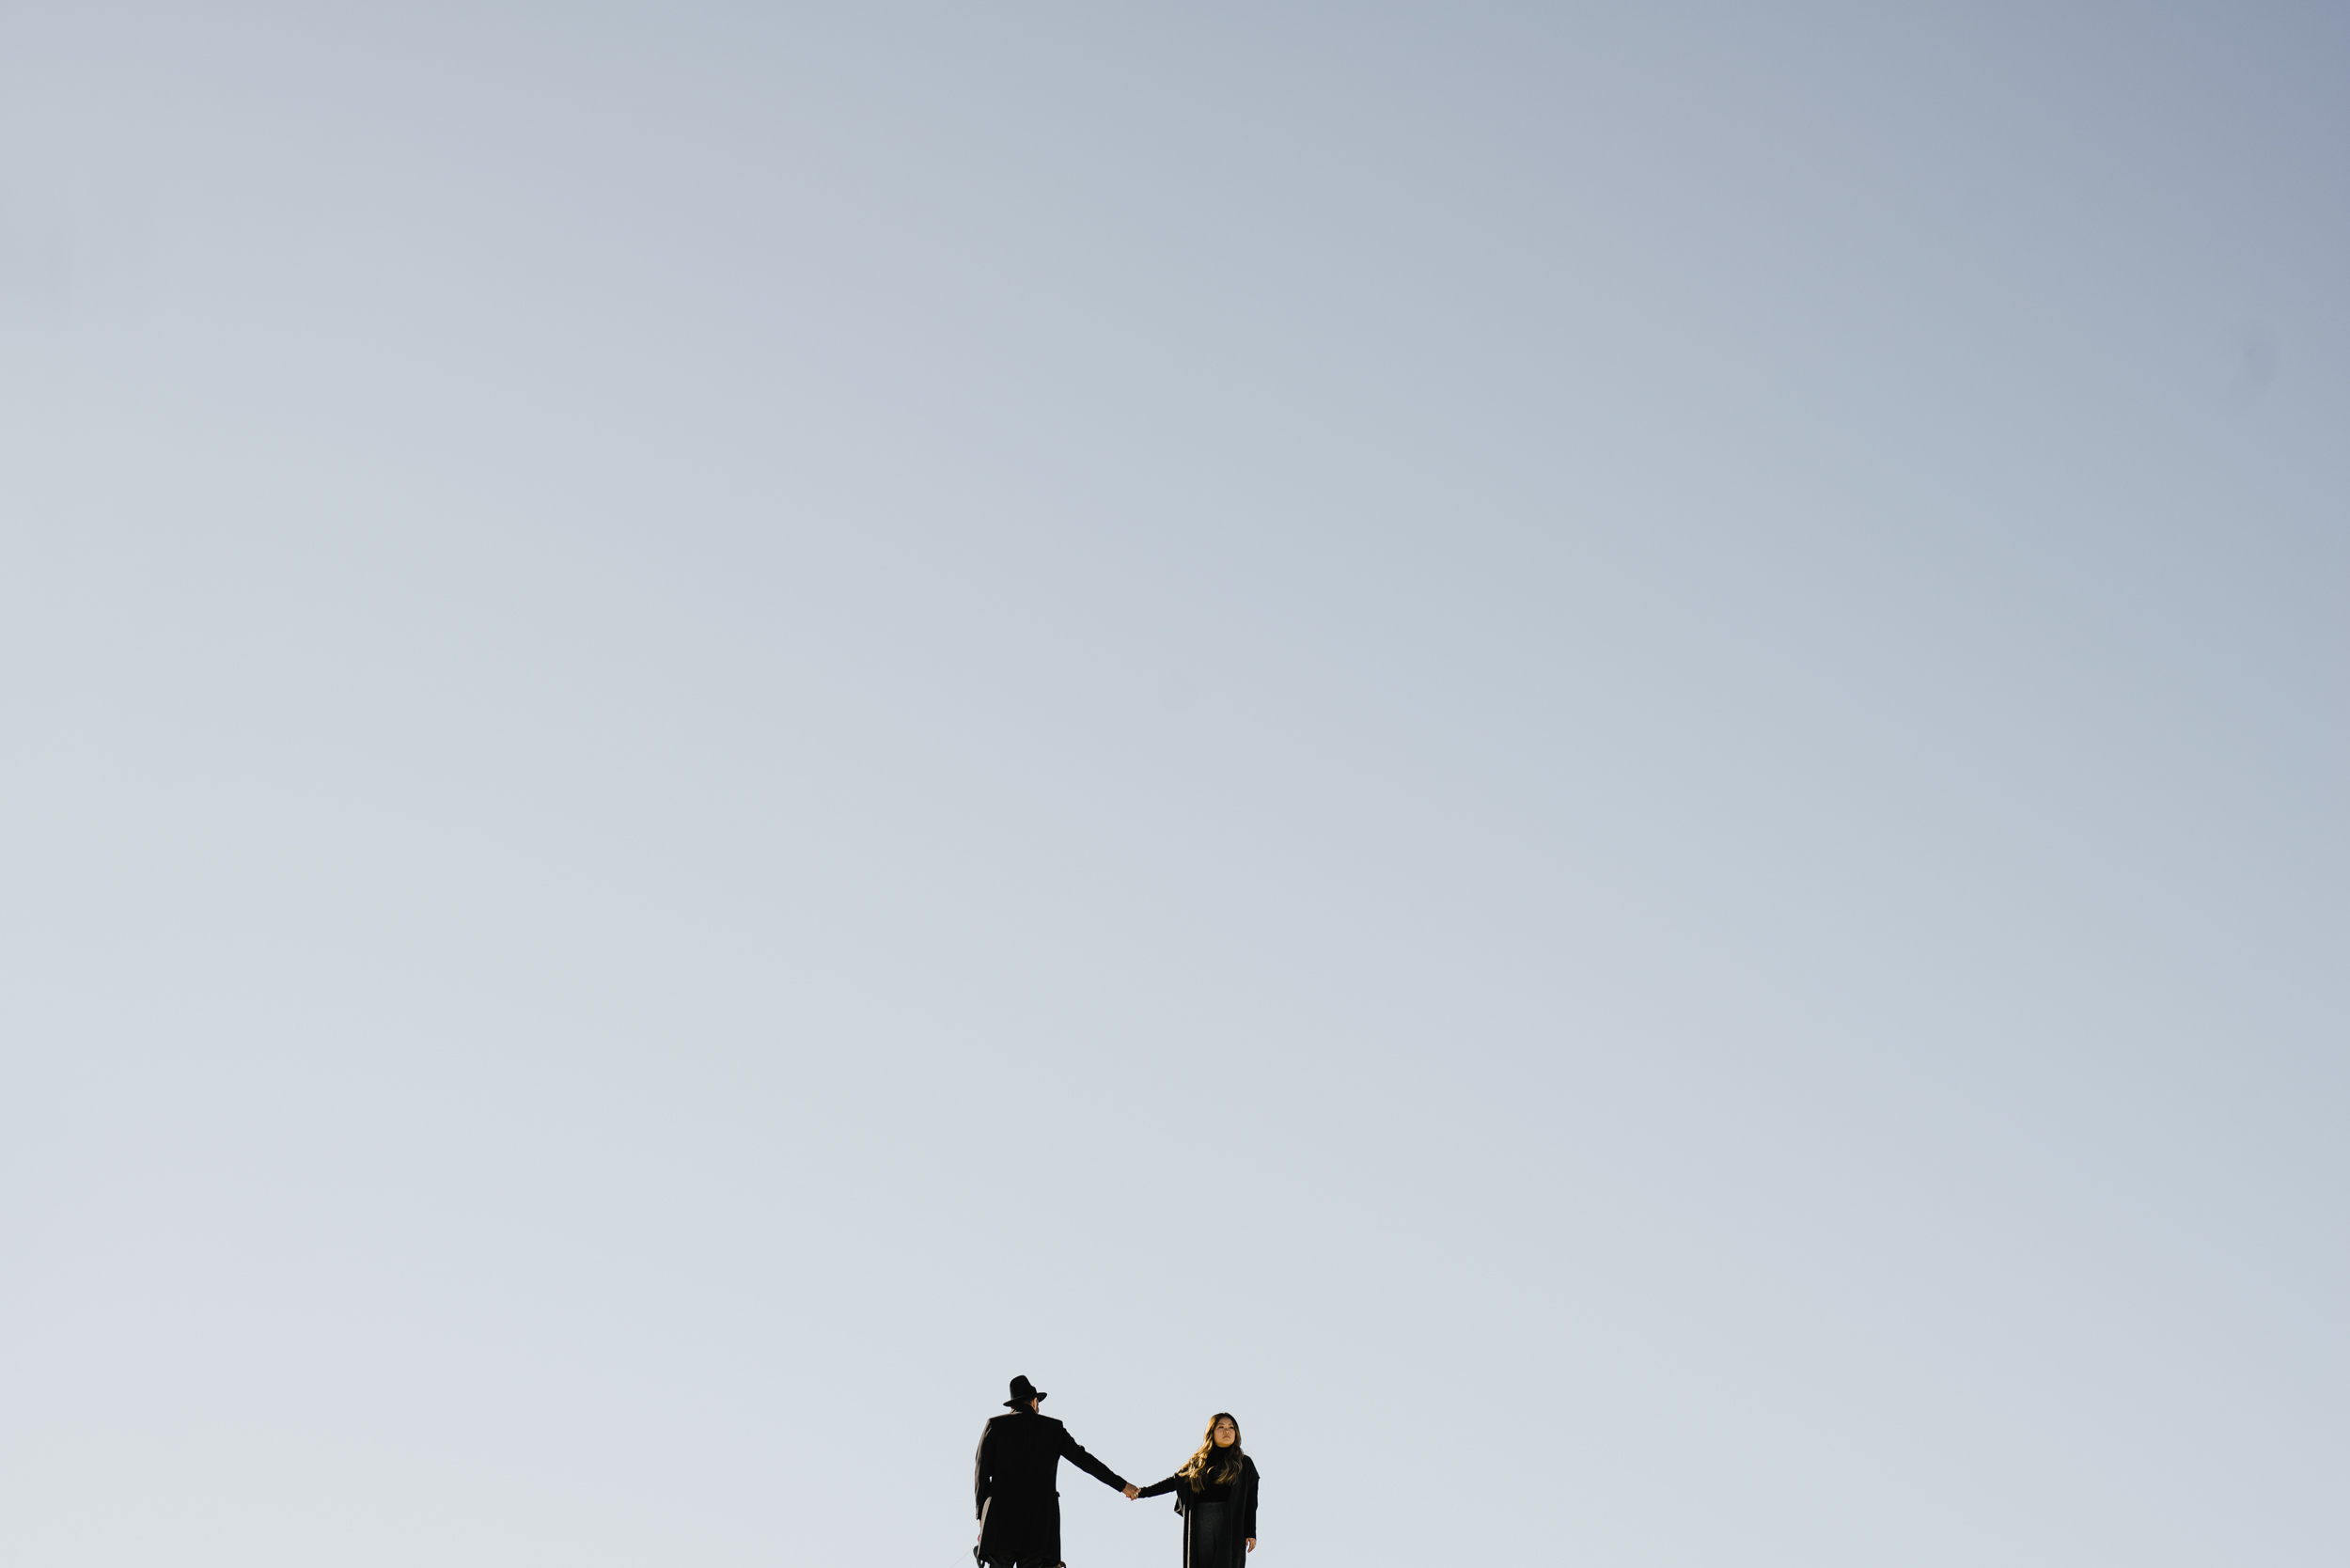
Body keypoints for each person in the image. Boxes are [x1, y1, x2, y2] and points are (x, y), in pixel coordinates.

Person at [974, 1375, 1133, 1568]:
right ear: (1034, 1401)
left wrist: (981, 1515)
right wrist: (1122, 1485)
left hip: (1000, 1521)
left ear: (1012, 1406)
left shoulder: (995, 1425)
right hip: (1039, 1525)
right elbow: (1084, 1460)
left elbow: (981, 1476)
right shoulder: (1052, 1428)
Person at [1132, 1412, 1260, 1566]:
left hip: (1230, 1522)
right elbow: (1174, 1482)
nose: (1227, 1431)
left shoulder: (1243, 1463)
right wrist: (1142, 1492)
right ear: (1211, 1433)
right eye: (1221, 1427)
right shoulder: (1198, 1463)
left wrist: (1250, 1532)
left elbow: (1251, 1502)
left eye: (1231, 1427)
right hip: (1201, 1521)